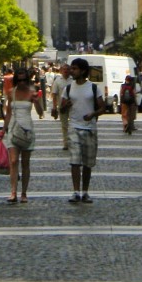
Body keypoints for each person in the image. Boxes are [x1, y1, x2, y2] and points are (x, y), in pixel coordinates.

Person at [61, 57, 105, 203]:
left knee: (87, 163)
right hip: (74, 127)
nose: (71, 71)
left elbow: (102, 107)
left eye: (74, 69)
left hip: (89, 128)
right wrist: (65, 106)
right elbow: (61, 109)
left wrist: (93, 114)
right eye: (71, 68)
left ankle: (85, 191)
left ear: (83, 71)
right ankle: (75, 191)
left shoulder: (93, 88)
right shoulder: (68, 88)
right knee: (74, 161)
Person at [2, 65, 43, 203]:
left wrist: (37, 102)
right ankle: (13, 191)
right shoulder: (11, 93)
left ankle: (24, 193)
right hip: (13, 128)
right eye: (19, 80)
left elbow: (40, 113)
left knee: (25, 162)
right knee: (13, 161)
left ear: (27, 80)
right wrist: (3, 129)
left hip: (26, 129)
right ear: (15, 80)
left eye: (24, 80)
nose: (22, 83)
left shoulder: (32, 92)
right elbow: (8, 113)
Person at [51, 63, 71, 150]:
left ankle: (73, 141)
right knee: (64, 125)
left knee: (73, 125)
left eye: (67, 69)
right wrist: (54, 107)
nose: (66, 71)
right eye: (64, 69)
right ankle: (66, 143)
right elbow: (54, 94)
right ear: (61, 71)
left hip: (73, 106)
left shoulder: (73, 80)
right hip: (62, 106)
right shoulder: (57, 81)